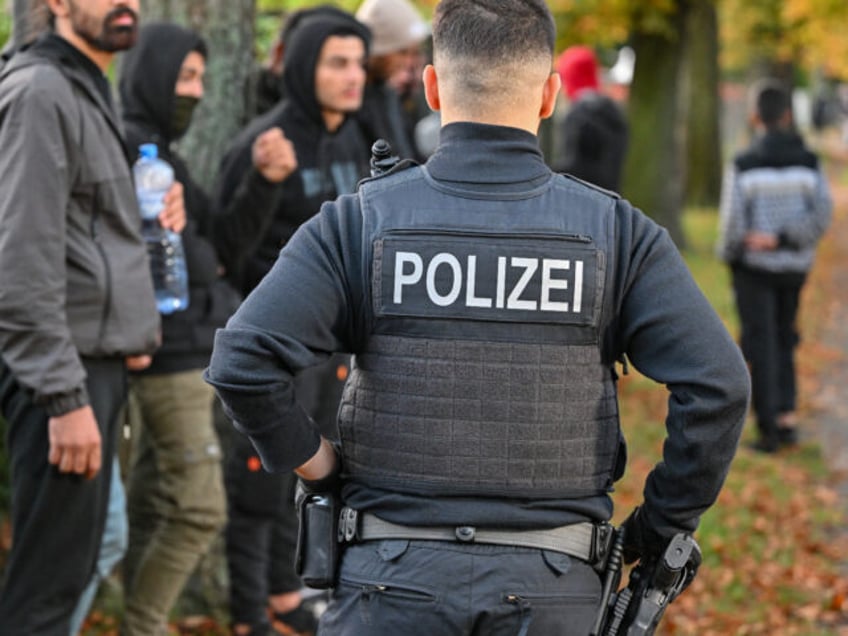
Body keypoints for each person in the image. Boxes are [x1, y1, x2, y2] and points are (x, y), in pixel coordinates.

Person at [205, 1, 751, 634]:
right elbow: (719, 385)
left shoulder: (358, 223)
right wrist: (661, 525)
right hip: (554, 588)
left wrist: (317, 466)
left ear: (434, 87)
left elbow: (242, 362)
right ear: (549, 96)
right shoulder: (617, 233)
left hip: (387, 585)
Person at [0, 1, 169, 632]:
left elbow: (83, 237)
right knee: (49, 586)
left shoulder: (88, 86)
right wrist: (61, 397)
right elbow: (21, 258)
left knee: (92, 550)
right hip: (59, 373)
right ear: (57, 3)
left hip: (93, 360)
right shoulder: (41, 92)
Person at [118, 21, 287, 634]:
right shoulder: (133, 152)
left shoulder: (164, 156)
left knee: (153, 500)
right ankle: (142, 622)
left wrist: (264, 184)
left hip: (190, 349)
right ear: (155, 76)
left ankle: (137, 615)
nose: (194, 91)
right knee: (198, 511)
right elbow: (178, 259)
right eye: (184, 77)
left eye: (200, 79)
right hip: (166, 357)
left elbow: (221, 249)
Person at [214, 10, 371, 636]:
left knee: (312, 475)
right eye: (338, 63)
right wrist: (259, 180)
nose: (353, 76)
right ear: (305, 68)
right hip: (277, 351)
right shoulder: (267, 140)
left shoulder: (356, 137)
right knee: (259, 483)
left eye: (358, 62)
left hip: (336, 352)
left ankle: (289, 594)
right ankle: (249, 614)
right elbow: (226, 247)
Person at [717, 80, 832, 453]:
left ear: (754, 117)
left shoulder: (744, 164)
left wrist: (735, 251)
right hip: (795, 267)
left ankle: (767, 429)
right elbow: (823, 213)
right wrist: (786, 240)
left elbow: (733, 223)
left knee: (760, 341)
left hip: (754, 268)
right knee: (786, 336)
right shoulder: (809, 162)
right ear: (787, 115)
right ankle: (786, 417)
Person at [355, 0, 429, 160]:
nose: (408, 62)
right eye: (402, 52)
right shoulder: (353, 104)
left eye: (415, 52)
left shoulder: (387, 95)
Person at [552, 45, 629, 192]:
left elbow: (575, 166)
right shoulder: (612, 109)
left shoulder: (580, 113)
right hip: (607, 196)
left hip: (581, 197)